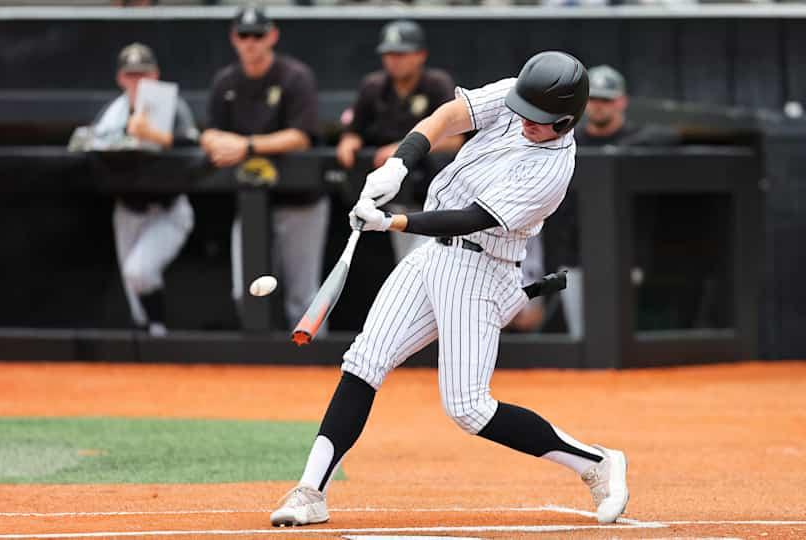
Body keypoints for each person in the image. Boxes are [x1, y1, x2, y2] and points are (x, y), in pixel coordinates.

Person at [270, 51, 629, 527]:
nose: (524, 120)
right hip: (433, 256)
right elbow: (448, 116)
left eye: (538, 119)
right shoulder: (519, 96)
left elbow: (472, 218)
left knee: (468, 408)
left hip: (481, 270)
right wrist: (398, 164)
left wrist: (393, 221)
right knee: (363, 361)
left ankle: (596, 462)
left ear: (565, 120)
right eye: (524, 110)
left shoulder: (552, 171)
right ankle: (310, 491)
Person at [200, 6, 325, 330]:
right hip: (252, 203)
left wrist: (246, 146)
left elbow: (301, 136)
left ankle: (312, 359)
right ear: (234, 38)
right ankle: (259, 358)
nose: (251, 42)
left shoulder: (295, 77)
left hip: (300, 202)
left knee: (303, 298)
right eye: (244, 35)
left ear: (272, 36)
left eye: (258, 35)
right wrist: (217, 142)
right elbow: (209, 132)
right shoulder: (226, 81)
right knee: (246, 292)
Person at [548, 64, 680, 338]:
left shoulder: (638, 137)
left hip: (624, 253)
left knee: (620, 337)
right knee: (581, 336)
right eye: (594, 99)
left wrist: (614, 153)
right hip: (574, 254)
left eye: (606, 100)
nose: (599, 106)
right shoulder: (570, 140)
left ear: (621, 102)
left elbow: (671, 135)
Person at [90, 42, 198, 336]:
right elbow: (92, 147)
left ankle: (158, 334)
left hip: (168, 209)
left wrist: (154, 135)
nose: (138, 81)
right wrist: (121, 138)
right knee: (133, 291)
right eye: (131, 75)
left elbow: (194, 150)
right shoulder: (114, 113)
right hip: (128, 210)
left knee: (139, 271)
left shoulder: (173, 106)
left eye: (143, 74)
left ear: (155, 74)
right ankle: (147, 343)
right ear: (120, 78)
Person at [336, 20, 464, 262]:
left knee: (436, 258)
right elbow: (354, 131)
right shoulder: (374, 86)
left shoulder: (437, 84)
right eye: (389, 54)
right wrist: (349, 141)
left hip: (437, 190)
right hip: (397, 191)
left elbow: (455, 140)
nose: (394, 61)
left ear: (420, 55)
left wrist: (403, 150)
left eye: (402, 54)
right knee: (407, 260)